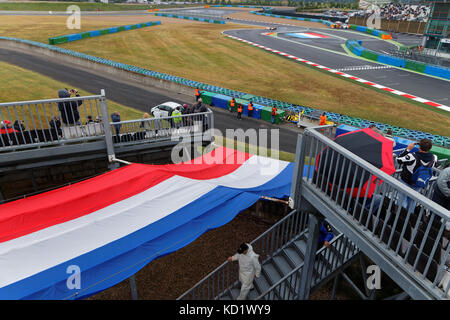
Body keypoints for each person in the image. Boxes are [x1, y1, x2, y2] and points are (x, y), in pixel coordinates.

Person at [396, 138, 437, 210]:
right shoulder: (433, 157)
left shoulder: (413, 156)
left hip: (406, 182)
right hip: (419, 183)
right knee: (412, 203)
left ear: (419, 147)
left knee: (402, 202)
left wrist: (408, 149)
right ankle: (408, 219)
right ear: (429, 148)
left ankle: (400, 218)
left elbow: (399, 160)